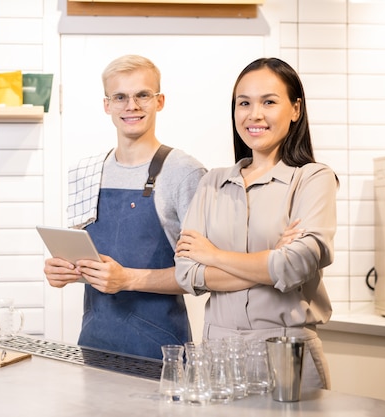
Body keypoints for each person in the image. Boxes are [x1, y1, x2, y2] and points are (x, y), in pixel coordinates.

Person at [175, 57, 338, 390]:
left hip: (287, 350)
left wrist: (214, 255)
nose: (255, 114)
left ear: (295, 109)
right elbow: (186, 273)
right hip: (216, 352)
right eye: (244, 103)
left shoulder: (312, 178)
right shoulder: (212, 182)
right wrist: (270, 261)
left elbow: (296, 263)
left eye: (269, 102)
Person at [43, 54, 207, 360]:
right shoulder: (87, 172)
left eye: (142, 95)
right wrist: (65, 270)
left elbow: (204, 274)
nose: (131, 106)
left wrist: (127, 279)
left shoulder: (184, 172)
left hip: (160, 353)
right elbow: (92, 263)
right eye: (120, 97)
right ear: (107, 105)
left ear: (160, 101)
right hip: (93, 345)